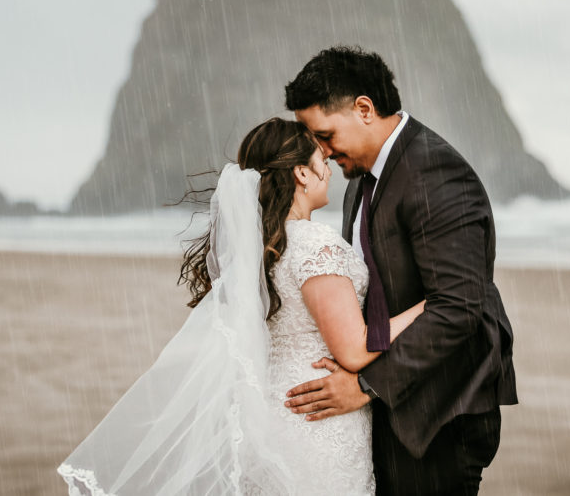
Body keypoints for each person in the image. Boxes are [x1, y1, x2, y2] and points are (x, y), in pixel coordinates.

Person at [57, 117, 424, 495]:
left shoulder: (264, 247)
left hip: (274, 418)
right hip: (317, 422)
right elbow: (355, 348)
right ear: (301, 172)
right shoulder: (315, 244)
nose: (328, 167)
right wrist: (424, 309)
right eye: (320, 159)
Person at [284, 45, 518, 495]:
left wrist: (366, 386)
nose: (323, 152)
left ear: (364, 109)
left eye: (326, 135)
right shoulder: (360, 183)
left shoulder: (436, 173)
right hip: (394, 408)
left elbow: (458, 309)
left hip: (441, 413)